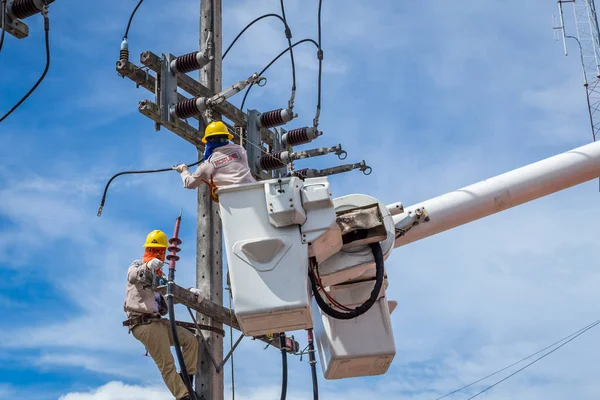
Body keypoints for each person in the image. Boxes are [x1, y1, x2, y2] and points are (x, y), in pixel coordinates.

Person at [122, 229, 199, 400]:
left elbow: (170, 297)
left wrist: (190, 294)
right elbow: (133, 276)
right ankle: (183, 397)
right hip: (143, 324)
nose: (155, 254)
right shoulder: (137, 265)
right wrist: (147, 266)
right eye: (151, 250)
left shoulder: (161, 276)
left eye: (159, 251)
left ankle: (186, 384)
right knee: (167, 363)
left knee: (191, 341)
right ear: (146, 250)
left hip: (158, 322)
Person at [173, 120, 256, 189]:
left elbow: (189, 183)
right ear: (227, 138)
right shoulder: (240, 150)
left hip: (231, 204)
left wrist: (183, 169)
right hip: (254, 193)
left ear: (209, 142)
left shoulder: (206, 166)